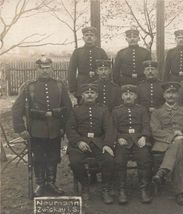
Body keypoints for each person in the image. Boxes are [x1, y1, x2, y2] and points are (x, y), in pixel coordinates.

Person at [12, 56, 72, 197]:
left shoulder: (59, 85)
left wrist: (64, 127)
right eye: (42, 68)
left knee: (53, 157)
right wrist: (21, 129)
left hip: (55, 129)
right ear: (36, 69)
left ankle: (51, 183)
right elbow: (17, 109)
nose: (45, 71)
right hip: (36, 130)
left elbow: (67, 108)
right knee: (38, 157)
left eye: (47, 68)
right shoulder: (29, 86)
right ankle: (40, 184)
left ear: (51, 68)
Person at [66, 84, 115, 204]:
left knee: (109, 160)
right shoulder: (76, 110)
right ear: (82, 95)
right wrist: (78, 142)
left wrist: (108, 144)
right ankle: (85, 186)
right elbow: (70, 128)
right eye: (87, 93)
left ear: (97, 95)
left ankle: (105, 189)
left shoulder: (103, 110)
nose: (89, 95)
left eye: (92, 93)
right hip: (80, 142)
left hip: (99, 142)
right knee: (75, 162)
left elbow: (109, 128)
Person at [150, 82, 183, 206]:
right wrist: (173, 137)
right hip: (163, 143)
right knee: (177, 152)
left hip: (182, 141)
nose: (171, 95)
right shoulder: (157, 112)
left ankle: (163, 171)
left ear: (178, 95)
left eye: (174, 93)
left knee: (179, 143)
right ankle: (179, 193)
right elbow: (155, 131)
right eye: (168, 93)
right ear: (164, 95)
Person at [113, 84, 153, 204]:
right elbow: (113, 128)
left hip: (138, 139)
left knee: (145, 158)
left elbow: (146, 125)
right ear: (122, 96)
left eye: (131, 94)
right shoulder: (116, 111)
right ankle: (122, 190)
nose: (128, 96)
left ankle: (144, 190)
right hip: (123, 140)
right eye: (126, 94)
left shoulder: (142, 109)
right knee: (119, 160)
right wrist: (118, 138)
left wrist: (144, 137)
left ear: (135, 96)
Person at [68, 26, 108, 97]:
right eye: (86, 35)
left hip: (98, 83)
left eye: (91, 35)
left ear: (95, 38)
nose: (89, 37)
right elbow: (71, 70)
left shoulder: (101, 52)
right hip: (82, 83)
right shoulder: (77, 52)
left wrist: (106, 85)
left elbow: (108, 69)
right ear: (83, 38)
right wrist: (72, 88)